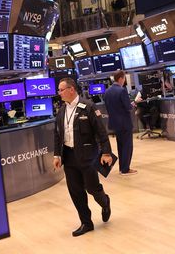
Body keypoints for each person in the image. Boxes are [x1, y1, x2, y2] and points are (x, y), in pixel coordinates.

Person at [53, 78, 113, 237]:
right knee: (76, 192)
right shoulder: (61, 111)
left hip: (87, 156)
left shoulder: (88, 107)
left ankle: (105, 202)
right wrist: (56, 155)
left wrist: (106, 152)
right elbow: (57, 135)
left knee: (92, 188)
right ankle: (86, 223)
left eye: (61, 90)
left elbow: (101, 131)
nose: (59, 93)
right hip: (69, 157)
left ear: (71, 89)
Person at [104, 70, 137, 176]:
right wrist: (134, 103)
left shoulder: (107, 91)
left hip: (115, 123)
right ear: (121, 79)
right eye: (124, 79)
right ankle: (125, 169)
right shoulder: (122, 90)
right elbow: (128, 107)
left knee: (120, 146)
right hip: (124, 123)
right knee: (127, 146)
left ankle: (122, 168)